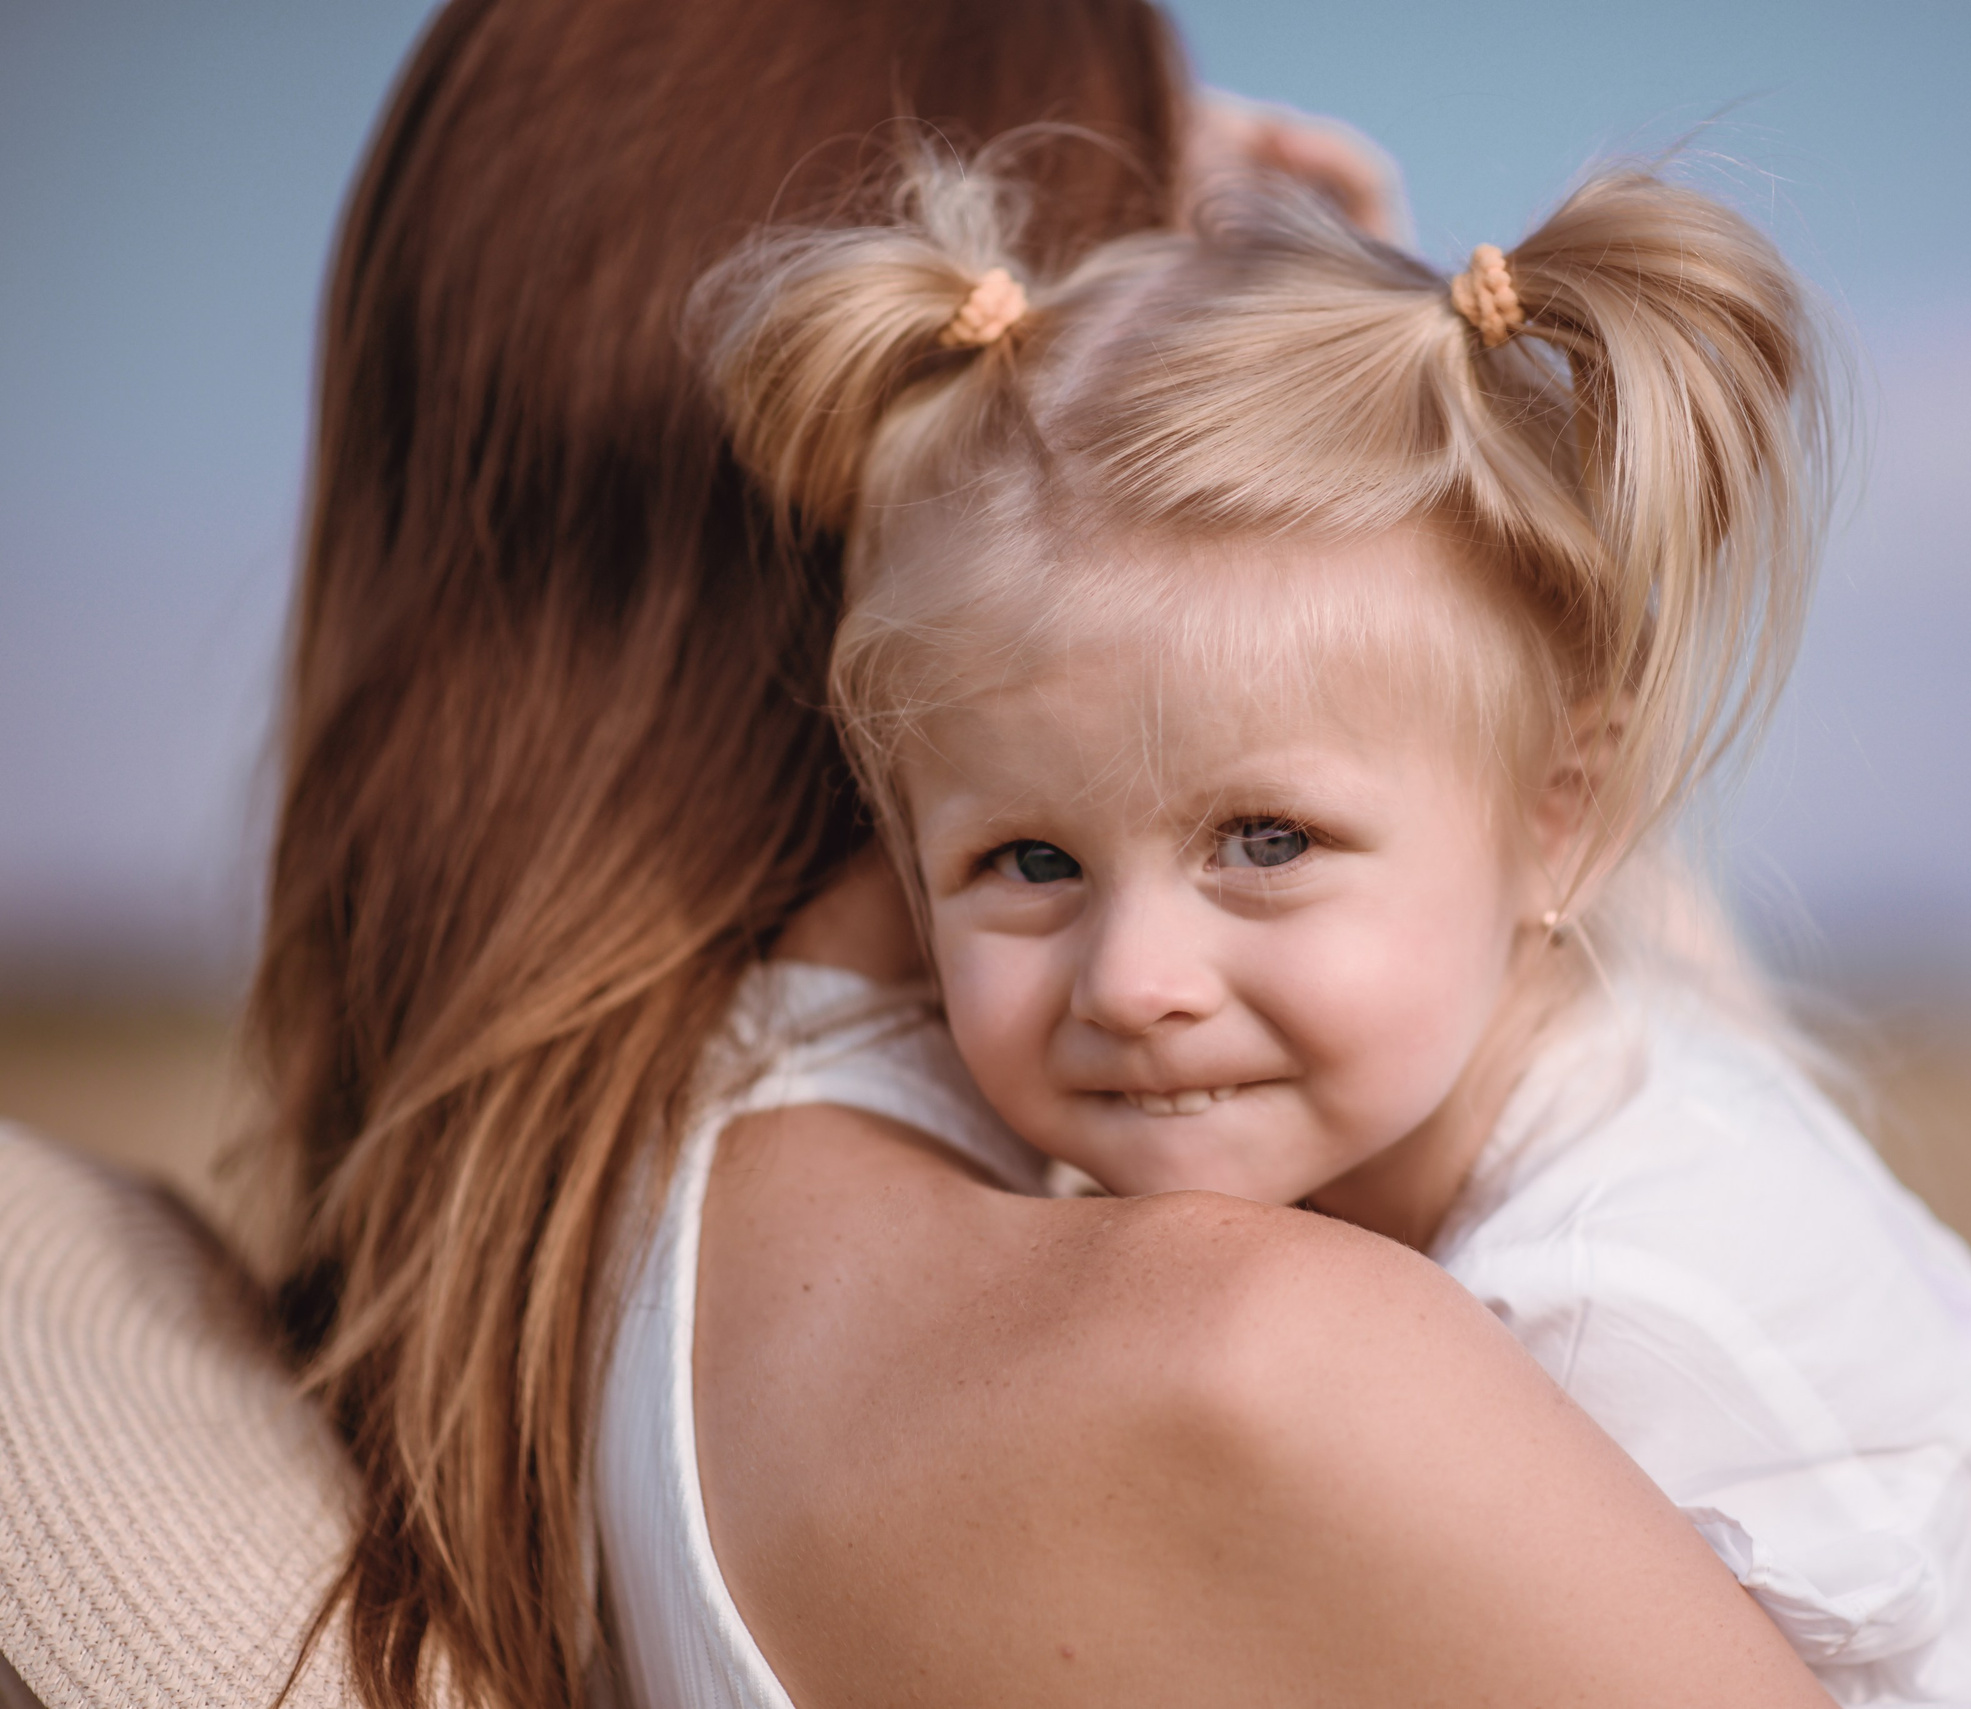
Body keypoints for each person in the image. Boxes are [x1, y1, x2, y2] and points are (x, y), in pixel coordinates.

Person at [246, 2, 1829, 1705]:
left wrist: (1363, 459)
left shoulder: (534, 1261)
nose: (1144, 980)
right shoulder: (1258, 1352)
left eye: (1263, 836)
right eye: (1175, 228)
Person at [696, 155, 1971, 1705]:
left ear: (1562, 821)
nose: (1135, 980)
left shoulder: (1598, 1312)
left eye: (1265, 840)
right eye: (1028, 858)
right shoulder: (1515, 1035)